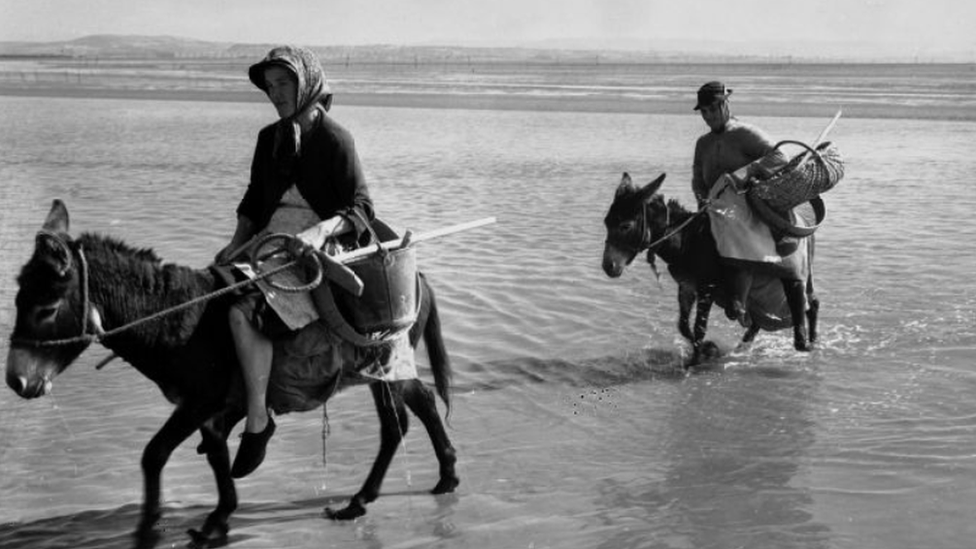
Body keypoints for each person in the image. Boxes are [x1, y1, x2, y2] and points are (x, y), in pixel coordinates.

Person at [214, 45, 374, 478]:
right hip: (267, 242)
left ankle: (259, 421)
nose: (276, 93)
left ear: (307, 82)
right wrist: (236, 242)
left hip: (314, 249)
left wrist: (320, 231)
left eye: (284, 83)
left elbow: (361, 207)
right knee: (209, 291)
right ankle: (232, 400)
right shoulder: (270, 138)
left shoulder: (335, 138)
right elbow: (252, 200)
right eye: (270, 86)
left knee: (242, 311)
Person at [690, 81, 786, 322]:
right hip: (714, 208)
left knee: (734, 231)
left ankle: (739, 301)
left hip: (746, 207)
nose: (709, 116)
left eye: (713, 109)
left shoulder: (745, 133)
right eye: (704, 111)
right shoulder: (702, 144)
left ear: (726, 104)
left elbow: (780, 156)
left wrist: (748, 171)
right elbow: (697, 180)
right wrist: (702, 201)